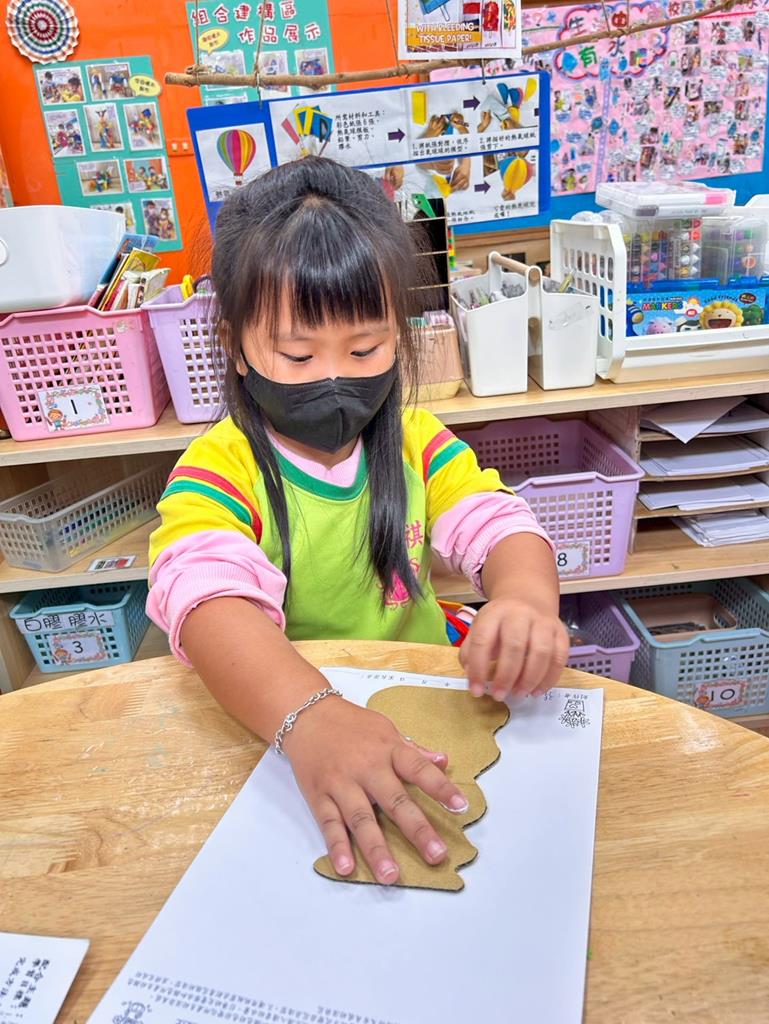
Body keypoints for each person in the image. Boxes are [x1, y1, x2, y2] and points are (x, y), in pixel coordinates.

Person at [147, 158, 567, 887]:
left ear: (398, 336)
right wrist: (309, 715)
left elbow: (499, 521)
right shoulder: (223, 467)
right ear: (235, 347)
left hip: (423, 695)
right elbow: (204, 596)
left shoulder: (414, 440)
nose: (334, 377)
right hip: (285, 718)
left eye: (365, 349)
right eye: (297, 353)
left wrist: (526, 600)